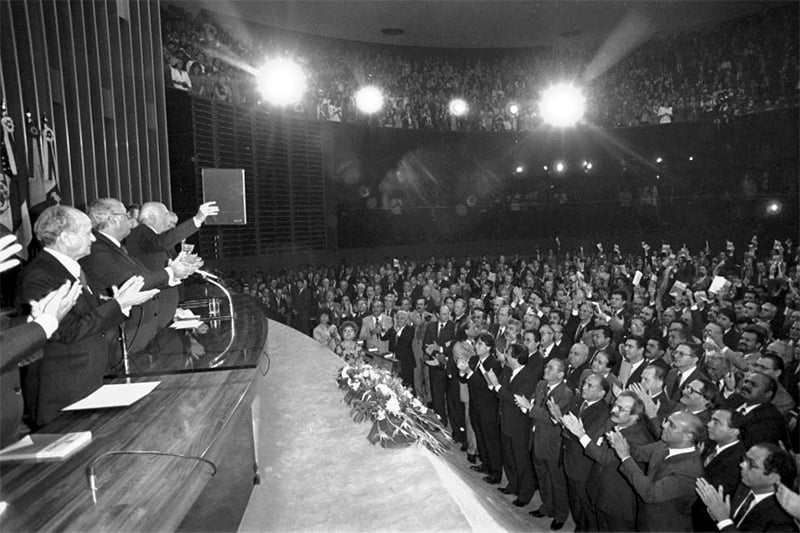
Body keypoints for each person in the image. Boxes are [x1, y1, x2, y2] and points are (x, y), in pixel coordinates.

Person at [16, 205, 158, 427]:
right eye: (87, 232)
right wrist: (118, 305)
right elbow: (67, 330)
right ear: (66, 238)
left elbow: (86, 313)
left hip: (86, 381)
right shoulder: (40, 275)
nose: (93, 238)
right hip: (62, 392)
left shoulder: (72, 269)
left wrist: (118, 304)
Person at [561, 391, 654, 532]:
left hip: (617, 503)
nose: (614, 410)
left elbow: (607, 458)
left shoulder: (639, 438)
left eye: (621, 409)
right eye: (615, 405)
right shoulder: (616, 425)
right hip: (600, 492)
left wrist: (580, 433)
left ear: (635, 416)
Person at [607, 411, 705, 532]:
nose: (664, 425)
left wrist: (625, 457)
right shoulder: (664, 445)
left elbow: (650, 493)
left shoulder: (690, 470)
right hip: (646, 522)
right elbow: (638, 453)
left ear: (688, 436)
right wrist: (620, 442)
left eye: (671, 425)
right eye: (667, 421)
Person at [515, 358, 573, 530]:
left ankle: (561, 514)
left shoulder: (566, 394)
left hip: (553, 444)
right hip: (537, 439)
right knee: (542, 477)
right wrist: (527, 406)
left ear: (561, 374)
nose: (546, 369)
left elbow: (554, 418)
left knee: (557, 481)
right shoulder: (541, 385)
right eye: (546, 366)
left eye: (551, 368)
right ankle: (547, 506)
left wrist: (530, 408)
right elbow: (533, 402)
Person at [695, 443, 797, 531]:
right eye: (744, 459)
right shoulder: (744, 487)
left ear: (773, 478)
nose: (742, 465)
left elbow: (726, 523)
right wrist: (718, 517)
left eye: (751, 464)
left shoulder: (781, 518)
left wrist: (723, 520)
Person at [485, 342, 539, 508]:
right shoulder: (508, 371)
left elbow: (515, 399)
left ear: (516, 357)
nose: (505, 356)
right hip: (505, 420)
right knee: (508, 456)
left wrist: (497, 385)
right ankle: (513, 484)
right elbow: (499, 392)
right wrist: (492, 383)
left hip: (518, 425)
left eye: (507, 353)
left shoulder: (528, 376)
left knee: (521, 459)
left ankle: (525, 493)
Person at [459, 332, 502, 485]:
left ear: (489, 347)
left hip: (488, 406)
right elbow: (465, 379)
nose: (476, 346)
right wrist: (462, 371)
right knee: (480, 435)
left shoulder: (494, 363)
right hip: (474, 403)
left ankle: (495, 472)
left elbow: (486, 384)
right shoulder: (474, 359)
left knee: (490, 439)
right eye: (476, 343)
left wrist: (469, 373)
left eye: (480, 344)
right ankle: (485, 463)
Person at [693, 408, 746, 532]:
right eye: (711, 420)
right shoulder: (710, 445)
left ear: (734, 431)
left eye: (716, 422)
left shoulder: (738, 460)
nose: (708, 424)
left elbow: (707, 490)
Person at [380, 309, 416, 392]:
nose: (399, 320)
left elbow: (407, 339)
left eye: (402, 318)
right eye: (398, 318)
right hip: (394, 361)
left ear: (406, 320)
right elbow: (383, 337)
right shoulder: (393, 329)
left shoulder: (410, 329)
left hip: (406, 361)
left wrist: (398, 332)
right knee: (396, 383)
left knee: (408, 384)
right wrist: (382, 329)